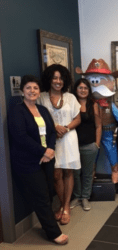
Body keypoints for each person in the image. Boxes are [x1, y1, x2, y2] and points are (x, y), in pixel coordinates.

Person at [8, 75, 68, 244]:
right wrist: (42, 151)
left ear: (39, 91)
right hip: (28, 161)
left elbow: (50, 132)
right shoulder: (17, 111)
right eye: (28, 88)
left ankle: (46, 223)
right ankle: (53, 232)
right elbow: (20, 137)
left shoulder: (42, 110)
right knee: (41, 196)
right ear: (22, 91)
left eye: (35, 88)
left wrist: (49, 150)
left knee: (49, 191)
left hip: (47, 158)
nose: (32, 91)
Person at [38, 64, 81, 224]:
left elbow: (78, 118)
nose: (58, 81)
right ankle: (62, 205)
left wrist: (66, 127)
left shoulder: (70, 97)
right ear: (49, 79)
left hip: (69, 138)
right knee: (56, 175)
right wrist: (54, 127)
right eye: (55, 77)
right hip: (51, 140)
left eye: (61, 78)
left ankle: (66, 208)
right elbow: (37, 117)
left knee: (68, 173)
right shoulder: (41, 97)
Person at [70, 78, 101, 211]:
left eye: (85, 88)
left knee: (88, 173)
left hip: (89, 145)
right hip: (73, 146)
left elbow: (99, 126)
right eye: (80, 88)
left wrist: (97, 144)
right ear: (76, 89)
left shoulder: (93, 105)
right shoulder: (70, 104)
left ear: (89, 90)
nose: (83, 90)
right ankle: (77, 196)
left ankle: (85, 197)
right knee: (75, 173)